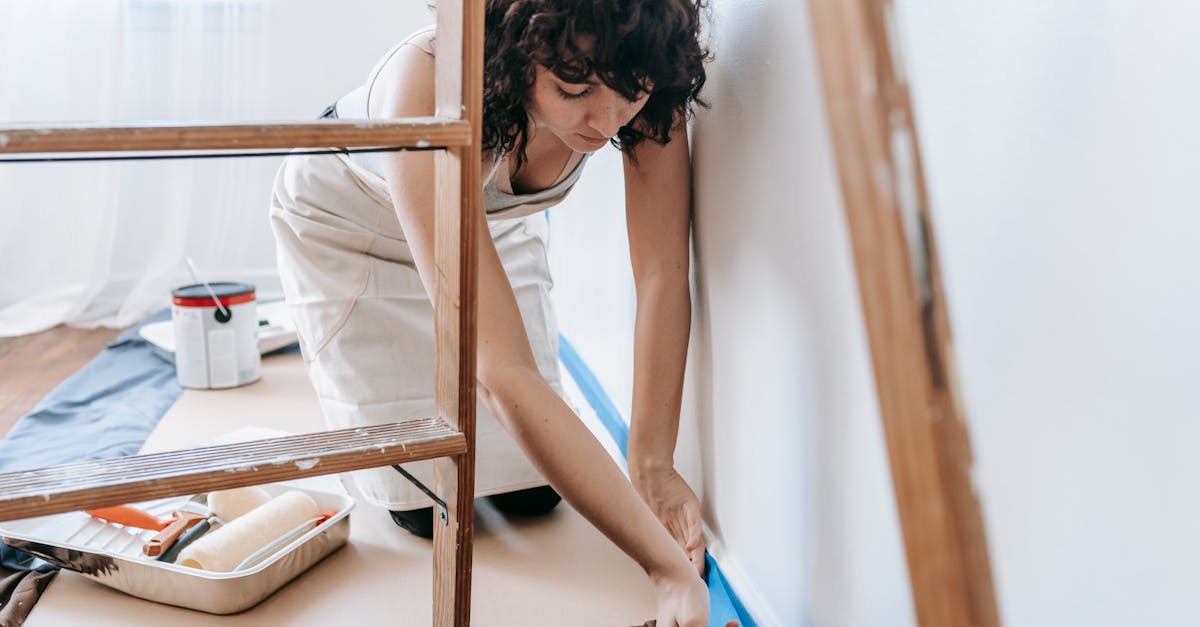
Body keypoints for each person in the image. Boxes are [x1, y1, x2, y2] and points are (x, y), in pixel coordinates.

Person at [270, 1, 724, 624]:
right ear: (515, 50)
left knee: (535, 494)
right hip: (351, 228)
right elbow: (501, 371)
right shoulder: (428, 81)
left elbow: (661, 274)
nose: (607, 119)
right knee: (430, 506)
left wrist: (653, 464)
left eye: (632, 92)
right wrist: (665, 570)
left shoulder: (639, 65)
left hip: (486, 224)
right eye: (573, 89)